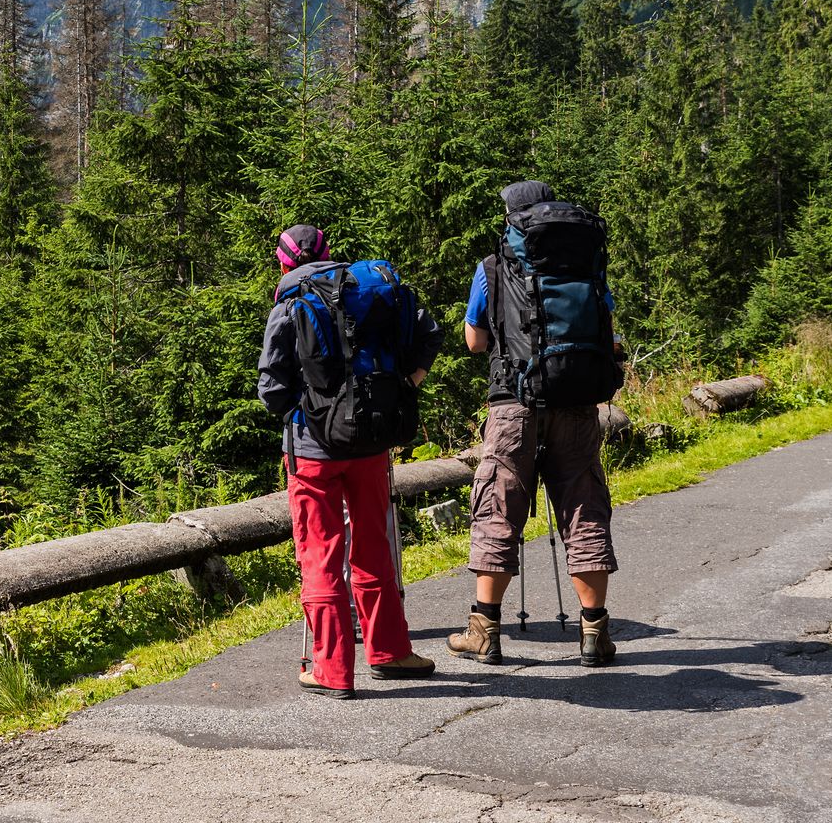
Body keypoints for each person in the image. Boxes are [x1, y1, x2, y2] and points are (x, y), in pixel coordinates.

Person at [258, 223, 442, 697]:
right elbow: (428, 333)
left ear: (283, 263)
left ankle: (332, 671)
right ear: (329, 252)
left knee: (320, 553)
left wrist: (304, 413)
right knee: (374, 546)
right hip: (371, 443)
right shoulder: (366, 287)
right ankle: (390, 652)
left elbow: (272, 390)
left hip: (313, 451)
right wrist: (406, 386)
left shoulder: (289, 304)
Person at [448, 180, 621, 668]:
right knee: (584, 504)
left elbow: (475, 341)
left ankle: (485, 631)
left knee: (498, 507)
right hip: (577, 401)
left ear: (512, 217)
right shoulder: (587, 264)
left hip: (514, 402)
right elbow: (606, 331)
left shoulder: (493, 267)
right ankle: (595, 634)